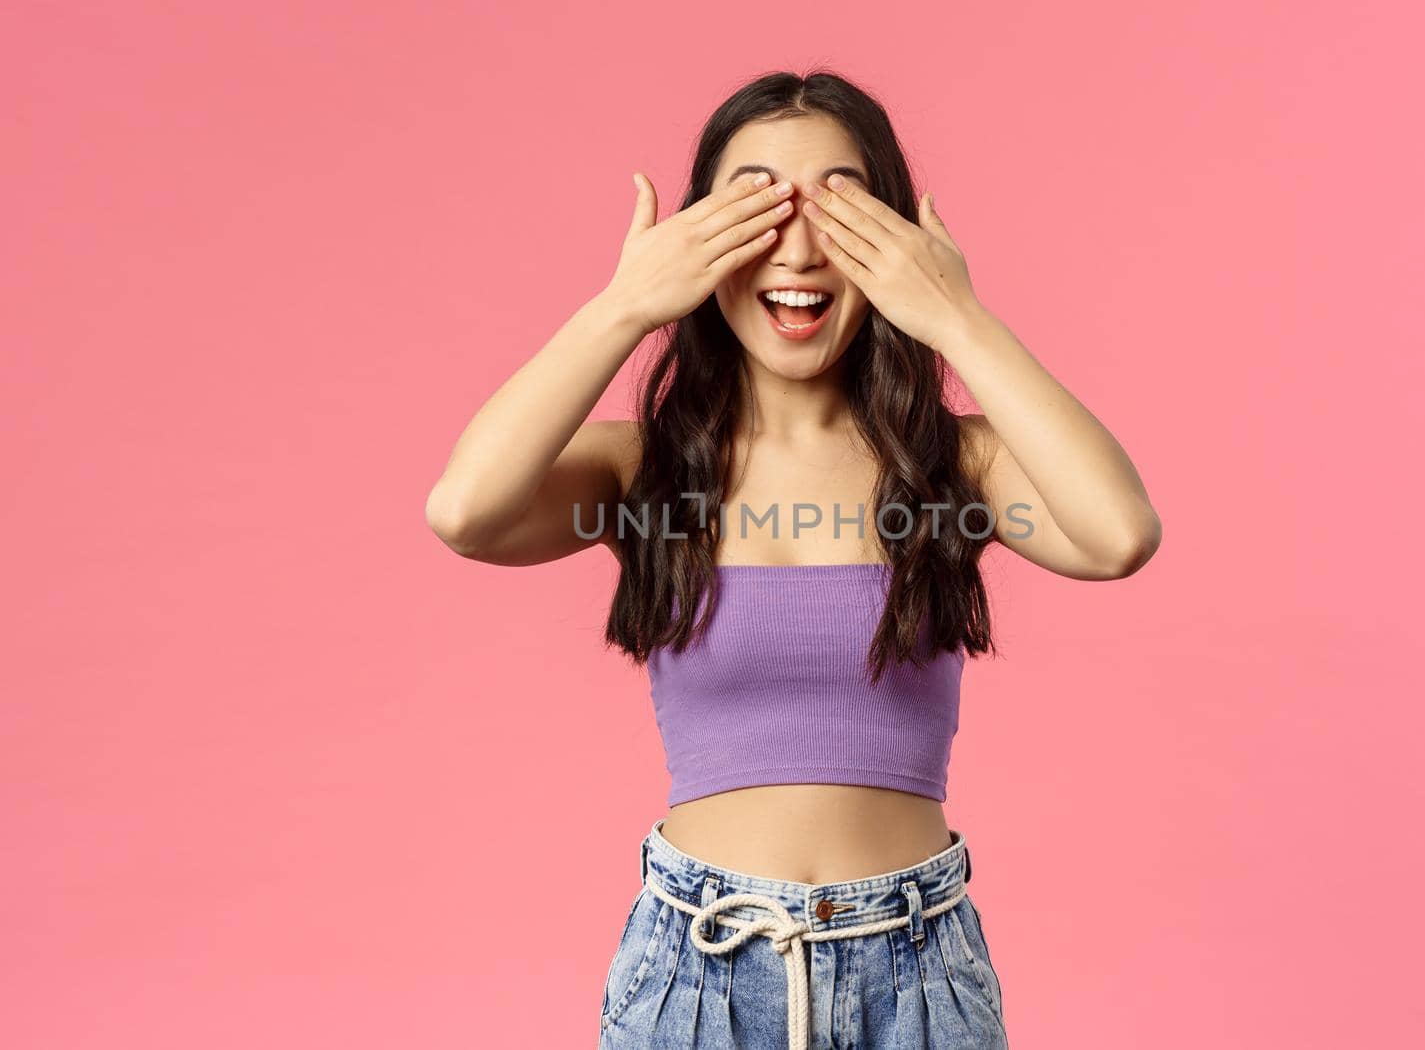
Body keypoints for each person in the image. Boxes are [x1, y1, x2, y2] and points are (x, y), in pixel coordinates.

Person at [425, 68, 1161, 1049]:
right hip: (697, 975)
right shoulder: (642, 471)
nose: (802, 249)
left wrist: (955, 315)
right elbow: (465, 511)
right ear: (697, 241)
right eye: (755, 208)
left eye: (844, 210)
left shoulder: (956, 464)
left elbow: (1119, 534)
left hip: (917, 972)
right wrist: (622, 307)